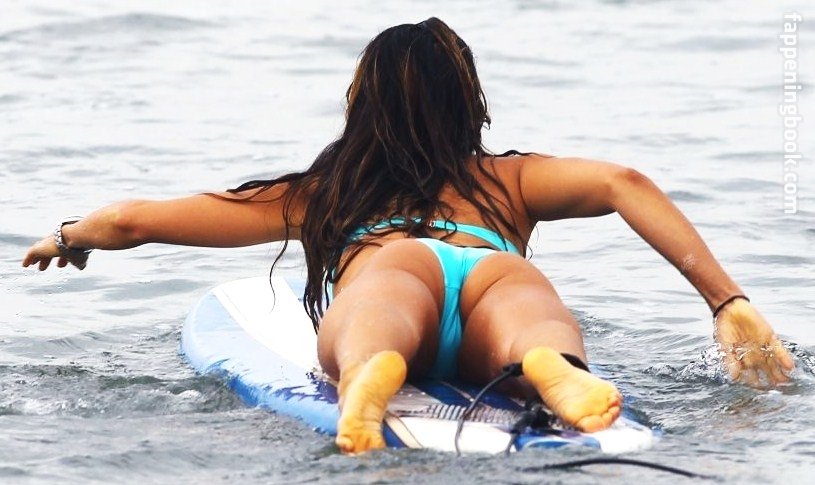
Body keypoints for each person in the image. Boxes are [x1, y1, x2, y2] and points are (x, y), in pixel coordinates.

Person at [23, 17, 794, 454]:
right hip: (492, 266)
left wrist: (68, 235)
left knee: (374, 317)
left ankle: (372, 370)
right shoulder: (512, 180)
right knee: (530, 320)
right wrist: (724, 299)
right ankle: (551, 366)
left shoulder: (326, 191)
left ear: (360, 105)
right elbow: (625, 182)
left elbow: (135, 219)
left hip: (394, 264)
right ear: (469, 102)